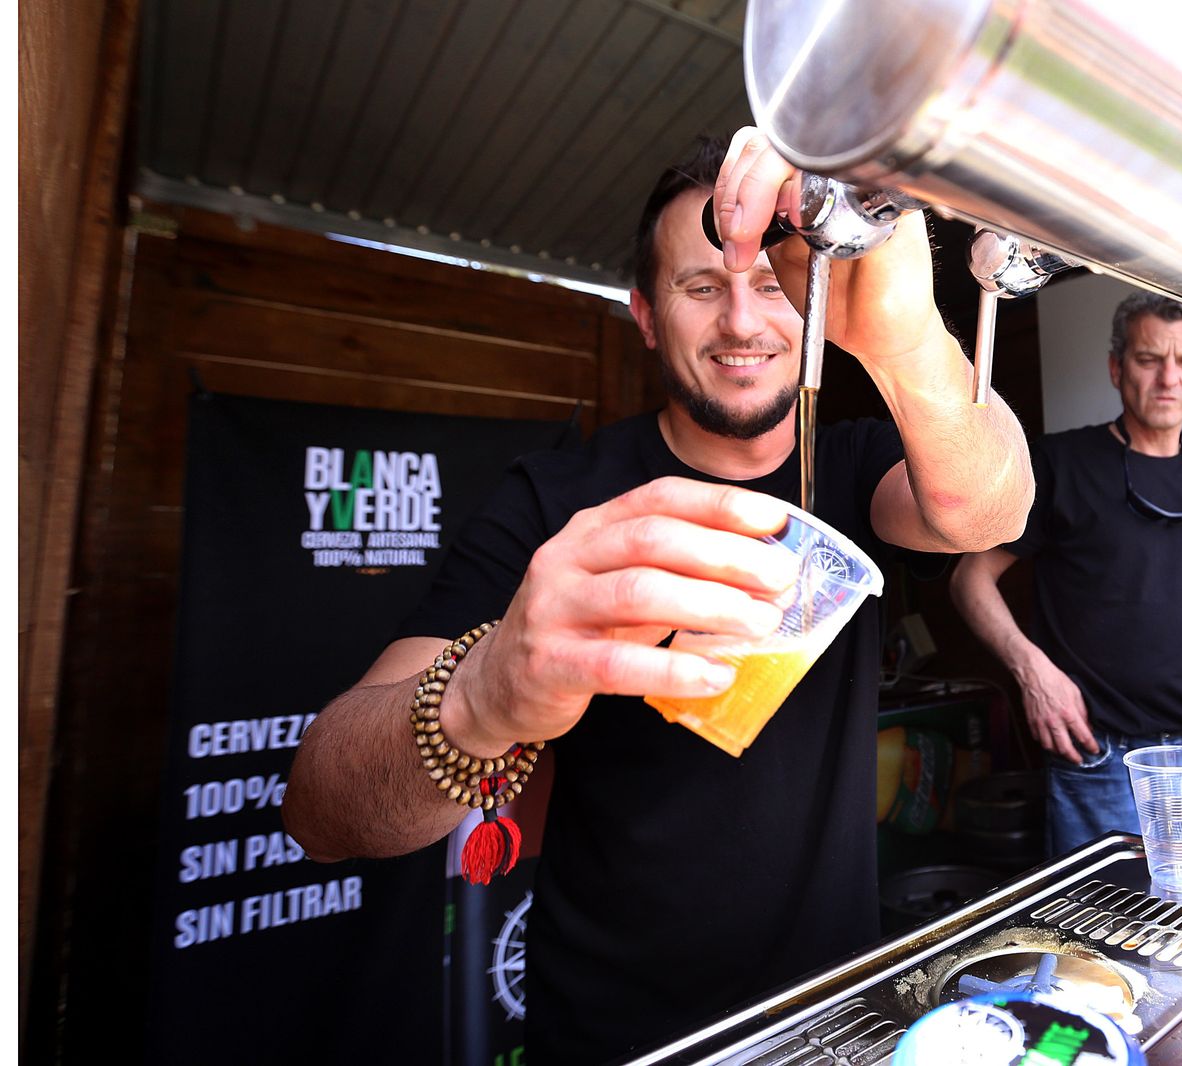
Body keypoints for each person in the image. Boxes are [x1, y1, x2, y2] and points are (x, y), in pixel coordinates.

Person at [282, 128, 1032, 1062]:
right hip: (613, 1034)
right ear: (643, 312)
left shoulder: (854, 464)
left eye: (774, 285)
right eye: (702, 286)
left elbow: (986, 511)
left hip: (837, 1021)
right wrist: (483, 694)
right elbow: (319, 812)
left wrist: (910, 336)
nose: (744, 323)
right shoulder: (554, 502)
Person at [950, 292, 1182, 857]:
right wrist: (1033, 673)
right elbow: (969, 579)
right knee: (1097, 938)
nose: (1170, 377)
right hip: (1096, 756)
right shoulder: (1060, 465)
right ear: (1118, 368)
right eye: (1150, 359)